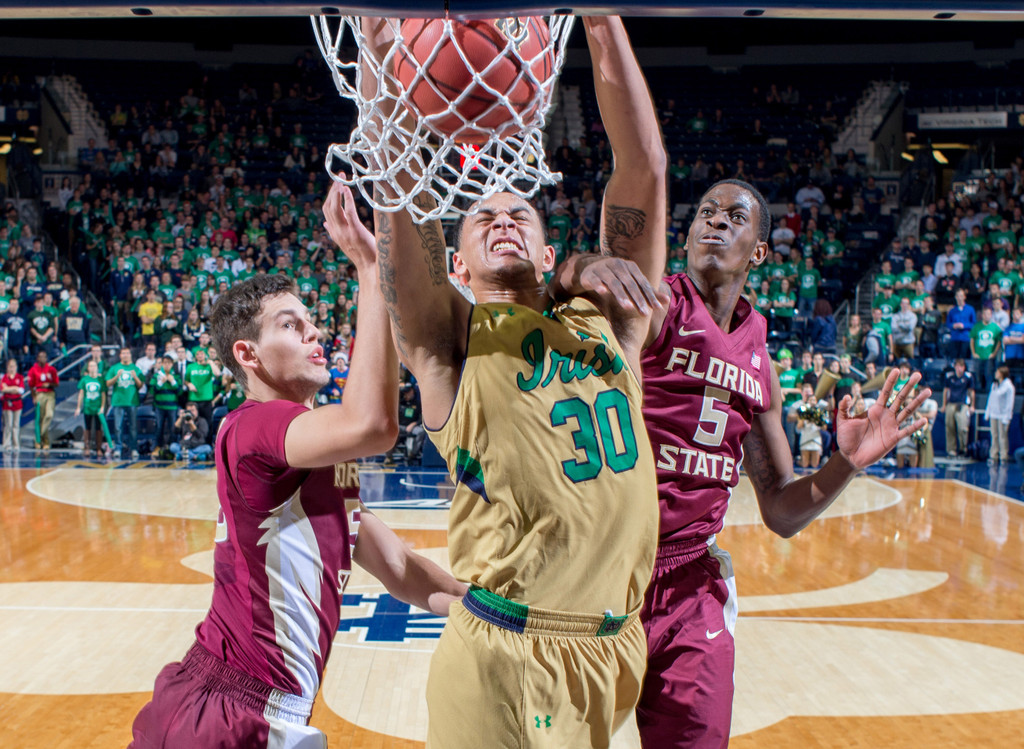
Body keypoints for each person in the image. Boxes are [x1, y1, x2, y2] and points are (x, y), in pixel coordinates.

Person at [553, 19, 932, 748]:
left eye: (733, 216)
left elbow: (784, 511)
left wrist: (845, 463)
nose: (713, 223)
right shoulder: (654, 301)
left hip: (691, 583)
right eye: (704, 214)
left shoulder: (759, 350)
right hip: (601, 574)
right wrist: (576, 267)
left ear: (762, 247)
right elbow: (633, 193)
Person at [360, 16, 662, 748]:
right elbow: (399, 188)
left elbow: (644, 168)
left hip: (614, 647)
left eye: (519, 212)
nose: (501, 219)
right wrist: (379, 58)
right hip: (505, 648)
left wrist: (601, 19)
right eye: (481, 218)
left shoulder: (609, 316)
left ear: (548, 245)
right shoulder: (452, 341)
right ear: (456, 269)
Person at [130, 182, 466, 748]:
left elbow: (402, 569)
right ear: (248, 354)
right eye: (290, 324)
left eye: (310, 322)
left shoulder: (321, 456)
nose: (314, 332)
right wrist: (370, 265)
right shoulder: (253, 426)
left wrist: (495, 613)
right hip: (229, 711)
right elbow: (373, 425)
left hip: (247, 706)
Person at [105, 346, 144, 460]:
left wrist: (135, 376)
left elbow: (140, 385)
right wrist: (117, 376)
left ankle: (133, 448)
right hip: (118, 401)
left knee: (133, 427)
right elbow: (108, 383)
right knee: (118, 427)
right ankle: (118, 448)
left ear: (130, 355)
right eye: (123, 353)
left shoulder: (135, 368)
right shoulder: (115, 368)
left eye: (127, 353)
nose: (125, 355)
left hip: (132, 401)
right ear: (120, 355)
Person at [942, 358, 975, 460]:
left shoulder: (968, 377)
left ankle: (963, 449)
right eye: (958, 366)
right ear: (955, 366)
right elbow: (945, 391)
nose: (959, 368)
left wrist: (972, 406)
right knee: (949, 427)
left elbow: (971, 392)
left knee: (962, 428)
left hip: (963, 405)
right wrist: (944, 405)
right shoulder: (949, 376)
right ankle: (951, 450)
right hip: (951, 404)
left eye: (962, 366)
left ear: (964, 367)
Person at [26, 350, 58, 450]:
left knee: (49, 415)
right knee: (40, 419)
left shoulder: (51, 369)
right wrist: (34, 397)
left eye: (44, 357)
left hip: (50, 393)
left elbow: (56, 383)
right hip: (39, 393)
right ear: (37, 358)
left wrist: (49, 384)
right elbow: (31, 385)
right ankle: (45, 442)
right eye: (41, 357)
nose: (43, 359)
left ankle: (38, 437)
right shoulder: (33, 370)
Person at [75, 358, 107, 458]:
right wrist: (78, 407)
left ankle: (98, 448)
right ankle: (87, 447)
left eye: (94, 366)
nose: (92, 368)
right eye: (90, 366)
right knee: (87, 428)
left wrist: (102, 407)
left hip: (97, 408)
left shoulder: (101, 380)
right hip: (88, 407)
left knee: (98, 428)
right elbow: (81, 394)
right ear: (88, 368)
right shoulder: (84, 379)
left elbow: (103, 395)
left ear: (97, 368)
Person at [983, 365, 1014, 464]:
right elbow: (990, 399)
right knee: (994, 435)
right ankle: (993, 455)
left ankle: (1003, 455)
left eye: (997, 372)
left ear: (1002, 373)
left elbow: (1010, 403)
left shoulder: (1009, 386)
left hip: (1003, 415)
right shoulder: (994, 385)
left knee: (1002, 436)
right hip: (994, 414)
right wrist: (987, 413)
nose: (996, 374)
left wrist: (1007, 417)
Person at [1, 358, 24, 452]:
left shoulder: (19, 377)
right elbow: (3, 389)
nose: (12, 369)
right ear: (7, 367)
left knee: (16, 425)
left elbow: (21, 390)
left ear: (16, 367)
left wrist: (10, 388)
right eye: (10, 367)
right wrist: (14, 388)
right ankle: (7, 444)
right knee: (8, 424)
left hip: (17, 403)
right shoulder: (5, 378)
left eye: (13, 366)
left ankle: (16, 444)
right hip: (7, 403)